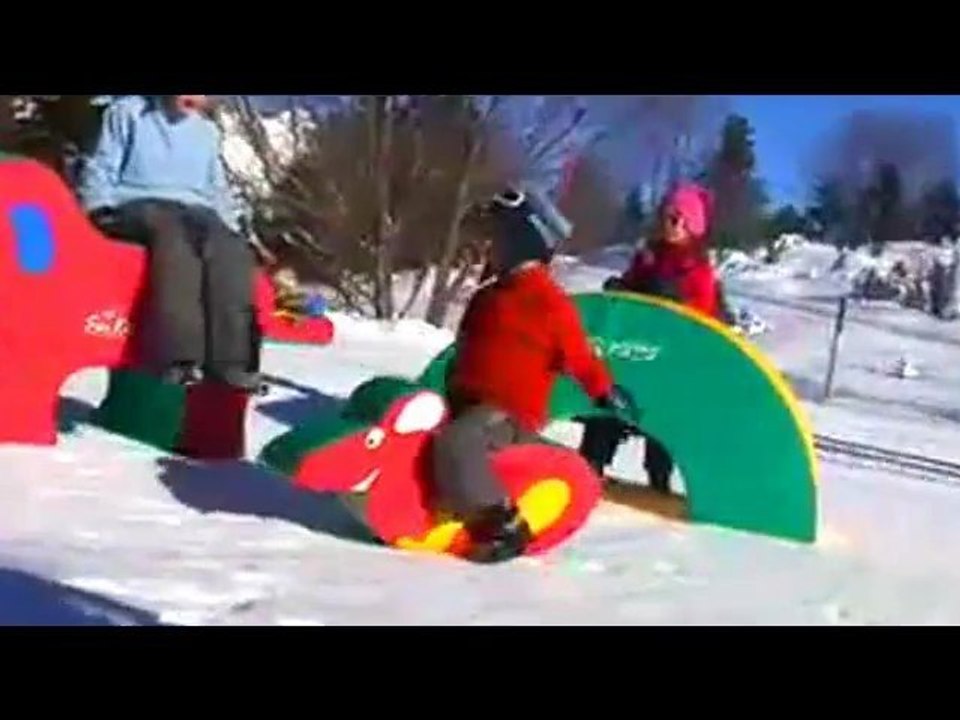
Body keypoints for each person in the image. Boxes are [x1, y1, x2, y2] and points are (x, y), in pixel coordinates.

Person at [433, 186, 637, 564]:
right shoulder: (487, 296)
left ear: (521, 241)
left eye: (496, 238)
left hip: (509, 413)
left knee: (458, 442)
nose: (488, 247)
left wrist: (604, 391)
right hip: (467, 400)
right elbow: (464, 347)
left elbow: (579, 357)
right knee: (425, 430)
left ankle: (503, 523)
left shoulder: (549, 302)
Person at [78, 95, 260, 391]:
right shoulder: (129, 114)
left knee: (229, 250)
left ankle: (232, 363)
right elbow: (102, 165)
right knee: (175, 239)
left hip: (197, 210)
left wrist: (232, 230)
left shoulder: (207, 132)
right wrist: (96, 207)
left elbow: (216, 188)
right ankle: (180, 357)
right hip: (137, 203)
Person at [581, 183, 726, 494]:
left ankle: (659, 480)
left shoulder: (698, 271)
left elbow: (702, 319)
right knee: (608, 406)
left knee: (663, 422)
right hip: (635, 353)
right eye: (668, 216)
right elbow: (631, 291)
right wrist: (621, 288)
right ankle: (590, 465)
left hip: (672, 361)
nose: (670, 224)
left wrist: (676, 304)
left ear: (693, 226)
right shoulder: (647, 258)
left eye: (679, 219)